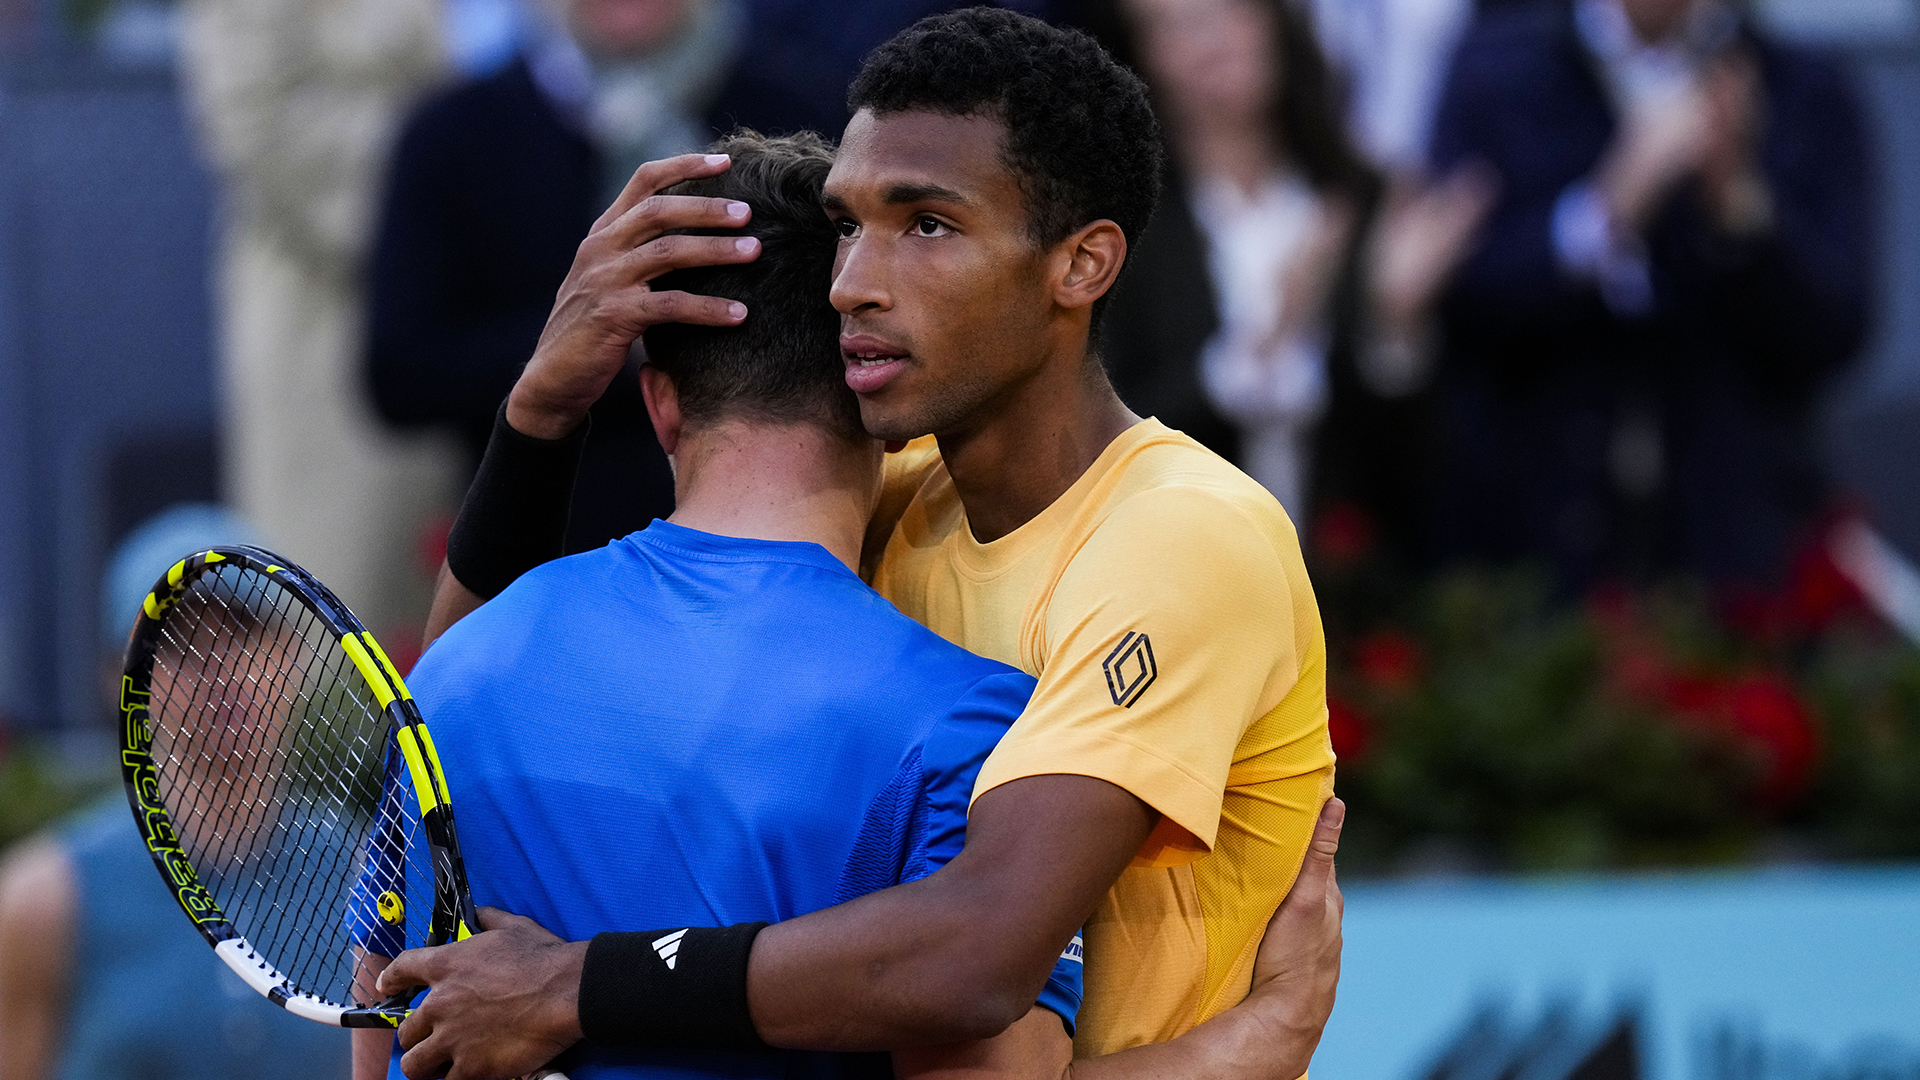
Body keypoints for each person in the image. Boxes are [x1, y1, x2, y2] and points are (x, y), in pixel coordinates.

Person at [380, 9, 1337, 1078]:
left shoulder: (1183, 539)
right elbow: (470, 699)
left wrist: (577, 985)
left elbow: (977, 953)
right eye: (847, 226)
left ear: (1082, 264)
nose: (853, 284)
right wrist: (538, 420)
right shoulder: (891, 502)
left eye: (926, 224)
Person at [1424, 0, 1873, 592]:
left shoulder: (1801, 88)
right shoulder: (1499, 73)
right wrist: (1605, 213)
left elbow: (1838, 326)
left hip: (1737, 561)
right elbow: (1452, 301)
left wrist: (1739, 207)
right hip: (1531, 558)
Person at [366, 0, 741, 553]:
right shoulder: (454, 134)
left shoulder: (784, 109)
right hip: (540, 551)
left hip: (749, 540)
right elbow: (399, 372)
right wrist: (592, 342)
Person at [0, 505, 347, 1080]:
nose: (218, 669)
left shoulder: (372, 873)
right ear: (119, 678)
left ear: (291, 656)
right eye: (180, 643)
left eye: (242, 633)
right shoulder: (43, 905)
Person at [1102, 0, 1372, 521]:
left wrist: (1394, 318)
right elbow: (1109, 423)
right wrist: (1265, 342)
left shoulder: (1350, 192)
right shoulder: (1122, 225)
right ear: (1139, 53)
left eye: (1231, 11)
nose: (1216, 42)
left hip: (1351, 569)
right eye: (1180, 26)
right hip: (1182, 552)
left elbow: (1402, 443)